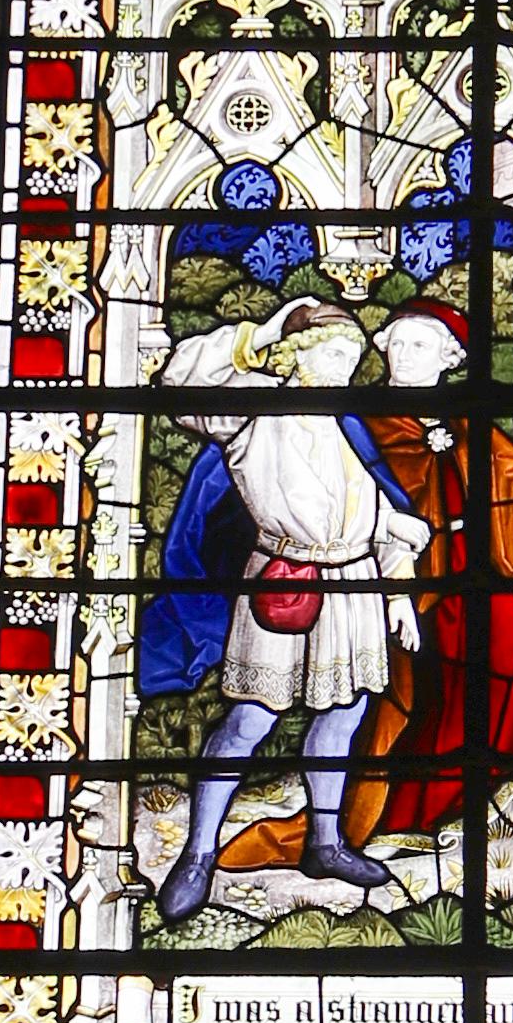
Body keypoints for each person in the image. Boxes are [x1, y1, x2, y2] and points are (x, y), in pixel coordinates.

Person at [146, 297, 416, 920]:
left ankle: (325, 842)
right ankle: (198, 854)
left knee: (343, 714)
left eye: (352, 357)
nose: (346, 367)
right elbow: (179, 382)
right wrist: (264, 330)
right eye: (334, 353)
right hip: (281, 577)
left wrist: (399, 587)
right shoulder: (253, 410)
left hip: (353, 582)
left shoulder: (346, 427)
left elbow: (371, 510)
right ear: (298, 355)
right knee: (250, 719)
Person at [342, 305, 513, 846]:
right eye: (396, 344)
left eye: (419, 346)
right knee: (436, 679)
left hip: (465, 566)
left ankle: (502, 765)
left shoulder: (464, 417)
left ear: (448, 358)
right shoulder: (364, 419)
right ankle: (416, 804)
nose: (403, 356)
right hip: (397, 571)